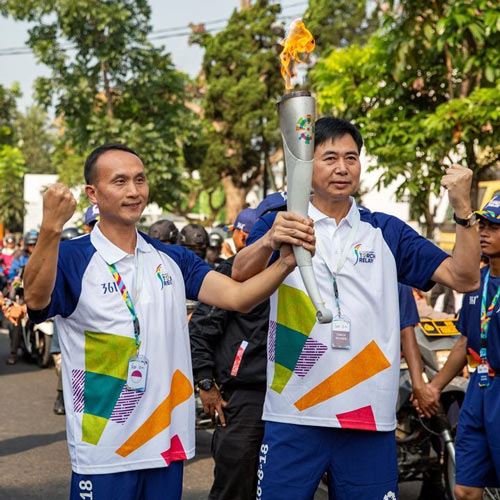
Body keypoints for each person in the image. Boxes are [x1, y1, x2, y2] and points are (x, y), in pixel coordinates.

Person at [23, 143, 299, 500]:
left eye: (140, 180)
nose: (133, 191)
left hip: (166, 440)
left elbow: (239, 297)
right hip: (105, 446)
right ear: (93, 193)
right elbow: (35, 300)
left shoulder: (172, 257)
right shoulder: (73, 257)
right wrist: (50, 228)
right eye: (120, 181)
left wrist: (284, 261)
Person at [232, 117, 480, 500]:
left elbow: (464, 278)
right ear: (306, 167)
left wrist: (462, 207)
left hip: (367, 415)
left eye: (351, 157)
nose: (342, 168)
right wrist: (268, 242)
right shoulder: (282, 224)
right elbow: (238, 275)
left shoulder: (386, 231)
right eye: (330, 158)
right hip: (293, 412)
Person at [427, 197, 500, 500]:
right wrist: (434, 387)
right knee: (465, 489)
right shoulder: (475, 282)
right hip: (478, 392)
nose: (483, 232)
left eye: (494, 227)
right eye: (481, 225)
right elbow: (464, 341)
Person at [190, 207, 262, 500]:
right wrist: (206, 382)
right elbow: (200, 329)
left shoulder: (300, 272)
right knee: (235, 484)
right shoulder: (231, 271)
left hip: (291, 397)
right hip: (243, 397)